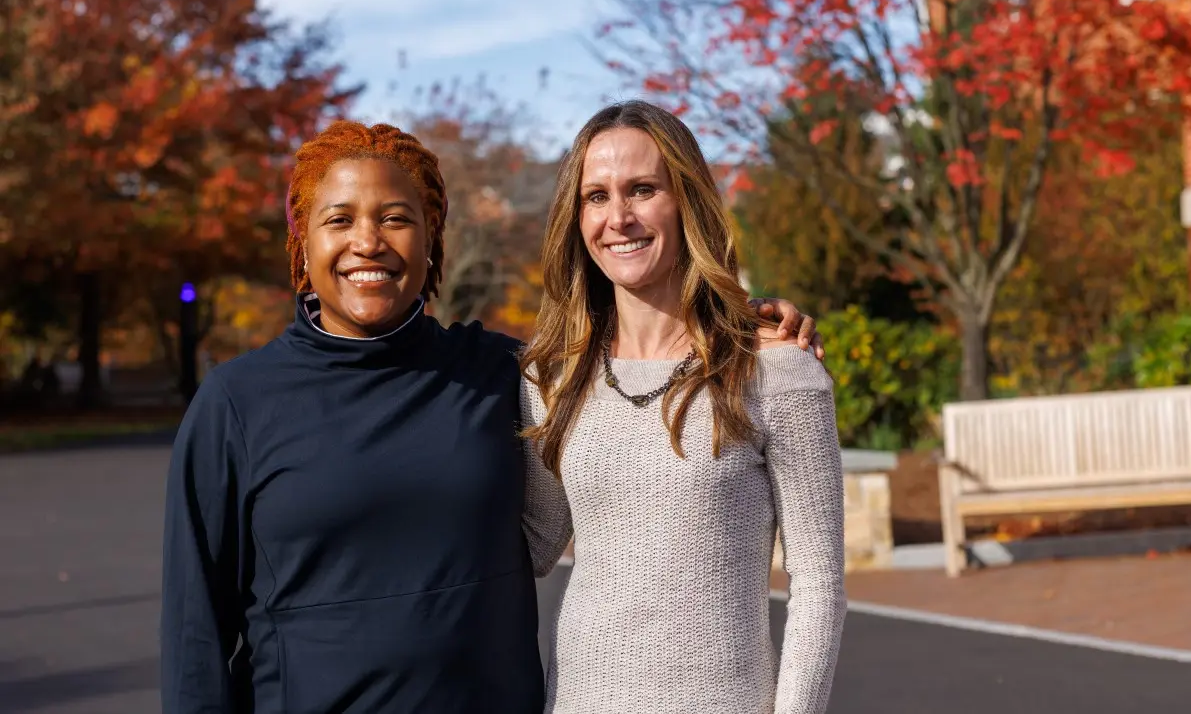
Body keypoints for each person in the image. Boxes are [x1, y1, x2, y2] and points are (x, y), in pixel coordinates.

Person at [159, 119, 821, 713]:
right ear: (302, 243)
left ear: (431, 242)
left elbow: (639, 360)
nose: (368, 241)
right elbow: (197, 632)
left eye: (395, 218)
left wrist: (744, 320)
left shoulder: (506, 374)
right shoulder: (237, 404)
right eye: (339, 220)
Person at [520, 100, 846, 713]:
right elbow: (530, 547)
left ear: (686, 200)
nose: (618, 217)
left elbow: (819, 582)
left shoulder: (778, 370)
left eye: (642, 190)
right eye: (597, 196)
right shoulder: (553, 377)